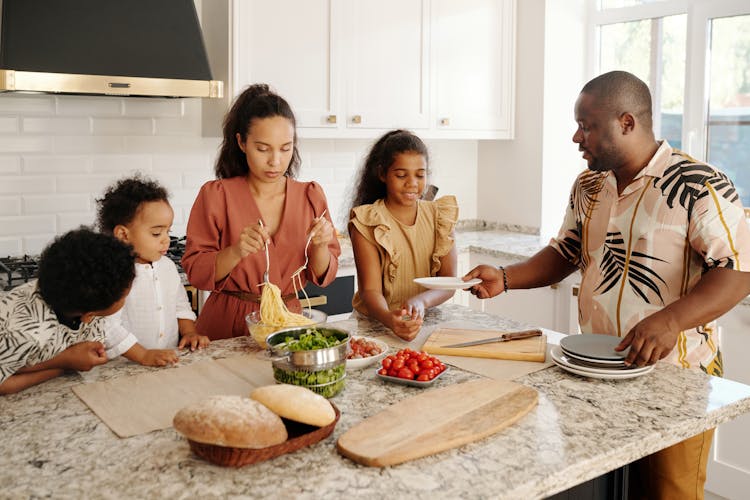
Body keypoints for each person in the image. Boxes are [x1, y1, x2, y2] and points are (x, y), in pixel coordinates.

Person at [464, 70, 750, 500]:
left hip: (675, 380)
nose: (577, 137)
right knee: (601, 487)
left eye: (587, 125)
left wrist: (670, 320)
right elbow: (566, 252)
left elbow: (738, 271)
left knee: (668, 493)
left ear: (627, 123)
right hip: (593, 370)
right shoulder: (589, 185)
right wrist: (506, 278)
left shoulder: (698, 184)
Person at [182, 83, 340, 339]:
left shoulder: (311, 196)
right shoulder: (216, 195)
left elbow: (323, 275)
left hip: (288, 324)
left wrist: (321, 245)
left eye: (285, 148)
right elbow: (197, 273)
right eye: (263, 149)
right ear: (242, 142)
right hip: (227, 325)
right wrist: (236, 251)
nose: (275, 161)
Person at [349, 129, 458, 341]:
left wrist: (421, 302)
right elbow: (370, 291)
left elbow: (449, 282)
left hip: (425, 321)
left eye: (420, 174)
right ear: (382, 174)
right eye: (401, 175)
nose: (412, 183)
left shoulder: (440, 216)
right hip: (375, 326)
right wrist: (390, 318)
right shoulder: (366, 221)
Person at [0, 228, 135, 394]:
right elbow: (3, 382)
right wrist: (63, 365)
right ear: (88, 315)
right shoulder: (29, 334)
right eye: (125, 294)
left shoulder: (69, 297)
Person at [96, 175, 210, 366]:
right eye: (156, 233)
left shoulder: (167, 266)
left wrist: (190, 333)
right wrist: (142, 355)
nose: (166, 240)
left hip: (166, 361)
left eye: (168, 231)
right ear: (123, 234)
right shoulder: (111, 274)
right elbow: (107, 327)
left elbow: (181, 307)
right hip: (122, 368)